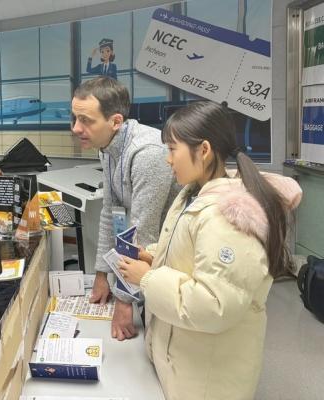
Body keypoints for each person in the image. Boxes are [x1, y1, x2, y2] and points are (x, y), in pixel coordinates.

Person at [118, 101, 302, 400]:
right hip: (184, 360)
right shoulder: (193, 194)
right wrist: (156, 256)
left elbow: (214, 305)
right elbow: (193, 255)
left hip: (206, 380)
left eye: (172, 149)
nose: (167, 160)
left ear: (203, 150)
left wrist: (149, 278)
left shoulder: (228, 216)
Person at [70, 76, 178, 340]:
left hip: (170, 256)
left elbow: (143, 232)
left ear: (115, 121)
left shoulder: (147, 153)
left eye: (86, 120)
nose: (75, 128)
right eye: (74, 118)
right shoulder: (107, 146)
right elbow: (111, 211)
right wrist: (101, 275)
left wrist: (123, 300)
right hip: (147, 254)